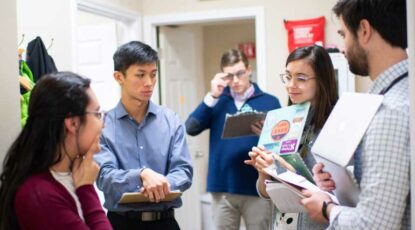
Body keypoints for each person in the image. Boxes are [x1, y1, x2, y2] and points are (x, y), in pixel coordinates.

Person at [300, 0, 410, 229]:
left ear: (364, 30)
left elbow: (374, 225)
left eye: (343, 35)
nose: (342, 47)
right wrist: (347, 179)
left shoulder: (389, 113)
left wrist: (326, 208)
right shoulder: (403, 94)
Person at [94, 41, 193, 230]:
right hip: (120, 223)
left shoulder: (171, 120)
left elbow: (184, 171)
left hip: (165, 223)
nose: (149, 82)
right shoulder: (102, 125)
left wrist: (159, 184)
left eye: (153, 74)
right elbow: (105, 177)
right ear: (118, 77)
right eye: (140, 75)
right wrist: (141, 176)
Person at [0, 72, 112, 230]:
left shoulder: (75, 174)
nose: (103, 124)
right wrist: (87, 190)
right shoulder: (39, 195)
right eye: (97, 114)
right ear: (73, 123)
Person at [185, 49, 281, 230]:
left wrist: (264, 136)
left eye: (240, 74)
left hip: (257, 186)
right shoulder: (217, 101)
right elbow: (190, 128)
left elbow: (282, 145)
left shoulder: (270, 102)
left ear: (249, 70)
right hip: (222, 186)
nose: (235, 81)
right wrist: (212, 96)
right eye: (229, 76)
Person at [245, 45, 338, 230]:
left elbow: (339, 197)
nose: (290, 85)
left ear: (322, 80)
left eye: (301, 78)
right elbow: (265, 192)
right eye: (288, 77)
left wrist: (283, 169)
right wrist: (264, 171)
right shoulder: (282, 121)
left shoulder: (334, 127)